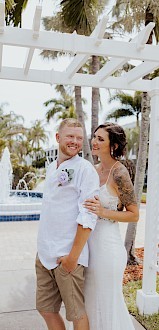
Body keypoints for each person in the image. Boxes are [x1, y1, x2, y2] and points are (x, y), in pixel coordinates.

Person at [35, 118, 99, 330]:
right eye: (70, 136)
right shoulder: (52, 168)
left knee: (76, 313)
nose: (75, 141)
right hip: (45, 255)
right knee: (45, 308)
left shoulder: (85, 169)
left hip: (68, 256)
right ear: (58, 137)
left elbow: (89, 215)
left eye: (79, 138)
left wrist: (72, 258)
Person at [83, 122, 139, 330]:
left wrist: (103, 212)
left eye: (100, 139)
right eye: (94, 137)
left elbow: (134, 215)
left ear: (113, 146)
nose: (94, 142)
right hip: (87, 245)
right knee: (89, 302)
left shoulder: (119, 173)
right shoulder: (91, 170)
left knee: (107, 303)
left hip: (107, 247)